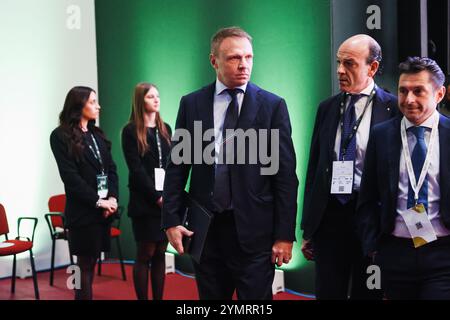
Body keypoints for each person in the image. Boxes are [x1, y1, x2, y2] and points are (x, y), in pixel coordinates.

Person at [161, 26, 298, 300]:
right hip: (205, 232)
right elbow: (177, 167)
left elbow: (285, 177)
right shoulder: (192, 104)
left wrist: (285, 234)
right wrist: (171, 221)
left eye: (249, 57)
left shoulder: (272, 106)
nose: (244, 65)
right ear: (214, 61)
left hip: (255, 233)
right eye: (235, 57)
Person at [300, 34, 399, 299]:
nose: (340, 70)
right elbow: (315, 169)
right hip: (331, 217)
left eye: (350, 64)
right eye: (338, 62)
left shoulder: (394, 109)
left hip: (372, 219)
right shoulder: (327, 108)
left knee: (367, 295)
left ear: (373, 67)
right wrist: (308, 227)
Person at [357, 57, 450, 300]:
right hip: (395, 252)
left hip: (442, 253)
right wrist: (374, 246)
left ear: (439, 94)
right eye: (403, 91)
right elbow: (367, 197)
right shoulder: (382, 135)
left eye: (418, 91)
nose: (409, 99)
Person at [50, 86, 119, 300]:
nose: (98, 106)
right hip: (82, 213)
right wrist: (99, 202)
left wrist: (113, 199)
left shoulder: (97, 135)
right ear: (78, 105)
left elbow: (112, 170)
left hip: (103, 212)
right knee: (82, 267)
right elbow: (70, 179)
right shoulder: (60, 136)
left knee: (91, 264)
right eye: (92, 102)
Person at [121, 83, 172, 300]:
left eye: (158, 96)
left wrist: (170, 195)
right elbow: (136, 169)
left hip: (166, 201)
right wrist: (156, 196)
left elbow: (172, 165)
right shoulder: (130, 130)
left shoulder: (166, 128)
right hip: (145, 203)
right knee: (145, 254)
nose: (156, 100)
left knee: (161, 253)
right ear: (141, 100)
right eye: (151, 96)